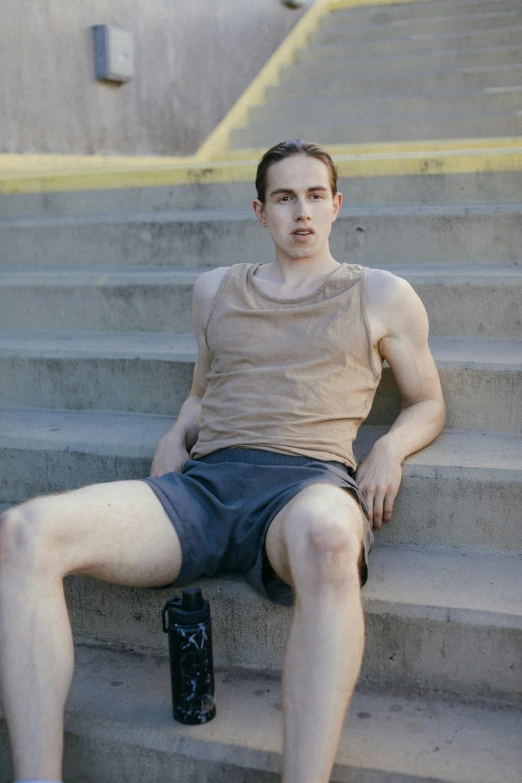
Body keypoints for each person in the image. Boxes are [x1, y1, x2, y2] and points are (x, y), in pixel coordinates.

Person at [0, 139, 445, 783]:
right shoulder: (214, 291)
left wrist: (389, 448)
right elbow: (204, 391)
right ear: (260, 211)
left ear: (337, 205)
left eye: (316, 196)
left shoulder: (381, 294)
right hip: (205, 489)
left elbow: (427, 401)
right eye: (285, 197)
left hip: (306, 485)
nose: (302, 212)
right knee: (22, 531)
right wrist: (175, 436)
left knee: (328, 538)